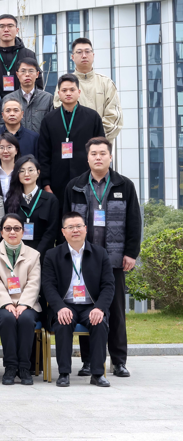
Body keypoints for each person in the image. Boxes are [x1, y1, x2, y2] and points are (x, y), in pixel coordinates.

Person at [60, 137, 139, 380]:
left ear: (110, 157)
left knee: (115, 311)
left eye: (102, 153)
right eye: (93, 153)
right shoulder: (75, 186)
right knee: (87, 307)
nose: (98, 157)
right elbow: (66, 221)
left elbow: (134, 221)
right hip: (84, 259)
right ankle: (88, 361)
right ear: (87, 158)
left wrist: (131, 253)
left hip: (114, 259)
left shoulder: (124, 185)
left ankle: (119, 361)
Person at [42, 212, 116, 388]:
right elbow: (48, 285)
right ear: (63, 232)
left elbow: (108, 285)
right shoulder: (52, 254)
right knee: (63, 322)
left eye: (78, 226)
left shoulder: (100, 253)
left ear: (85, 229)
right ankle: (64, 373)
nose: (75, 230)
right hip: (65, 304)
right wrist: (59, 307)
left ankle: (97, 374)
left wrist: (99, 308)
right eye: (70, 227)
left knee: (99, 323)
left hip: (91, 305)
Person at [0, 213, 42, 385]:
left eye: (17, 228)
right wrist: (7, 303)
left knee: (26, 319)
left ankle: (24, 367)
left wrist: (23, 304)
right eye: (8, 228)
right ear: (1, 232)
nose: (12, 232)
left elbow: (34, 283)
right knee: (8, 319)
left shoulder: (34, 255)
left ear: (23, 231)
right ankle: (10, 366)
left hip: (28, 304)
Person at [38, 73, 106, 194]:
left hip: (87, 180)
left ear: (79, 92)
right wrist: (46, 184)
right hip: (56, 182)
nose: (68, 93)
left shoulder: (92, 117)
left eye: (72, 90)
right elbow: (44, 154)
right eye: (64, 90)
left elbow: (101, 150)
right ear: (59, 93)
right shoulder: (49, 119)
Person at [60, 37, 122, 140]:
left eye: (87, 51)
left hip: (101, 146)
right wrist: (78, 136)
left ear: (93, 55)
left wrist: (96, 138)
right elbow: (59, 114)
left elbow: (114, 119)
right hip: (74, 144)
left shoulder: (106, 83)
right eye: (79, 52)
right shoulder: (64, 84)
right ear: (72, 57)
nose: (84, 55)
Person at [4, 156, 61, 253]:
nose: (26, 174)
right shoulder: (11, 200)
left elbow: (51, 232)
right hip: (15, 253)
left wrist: (36, 255)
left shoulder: (50, 200)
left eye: (30, 170)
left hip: (42, 254)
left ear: (38, 173)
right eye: (22, 171)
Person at [0, 14, 37, 95]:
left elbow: (37, 83)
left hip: (24, 101)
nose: (6, 30)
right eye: (2, 26)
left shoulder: (28, 54)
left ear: (17, 30)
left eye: (10, 26)